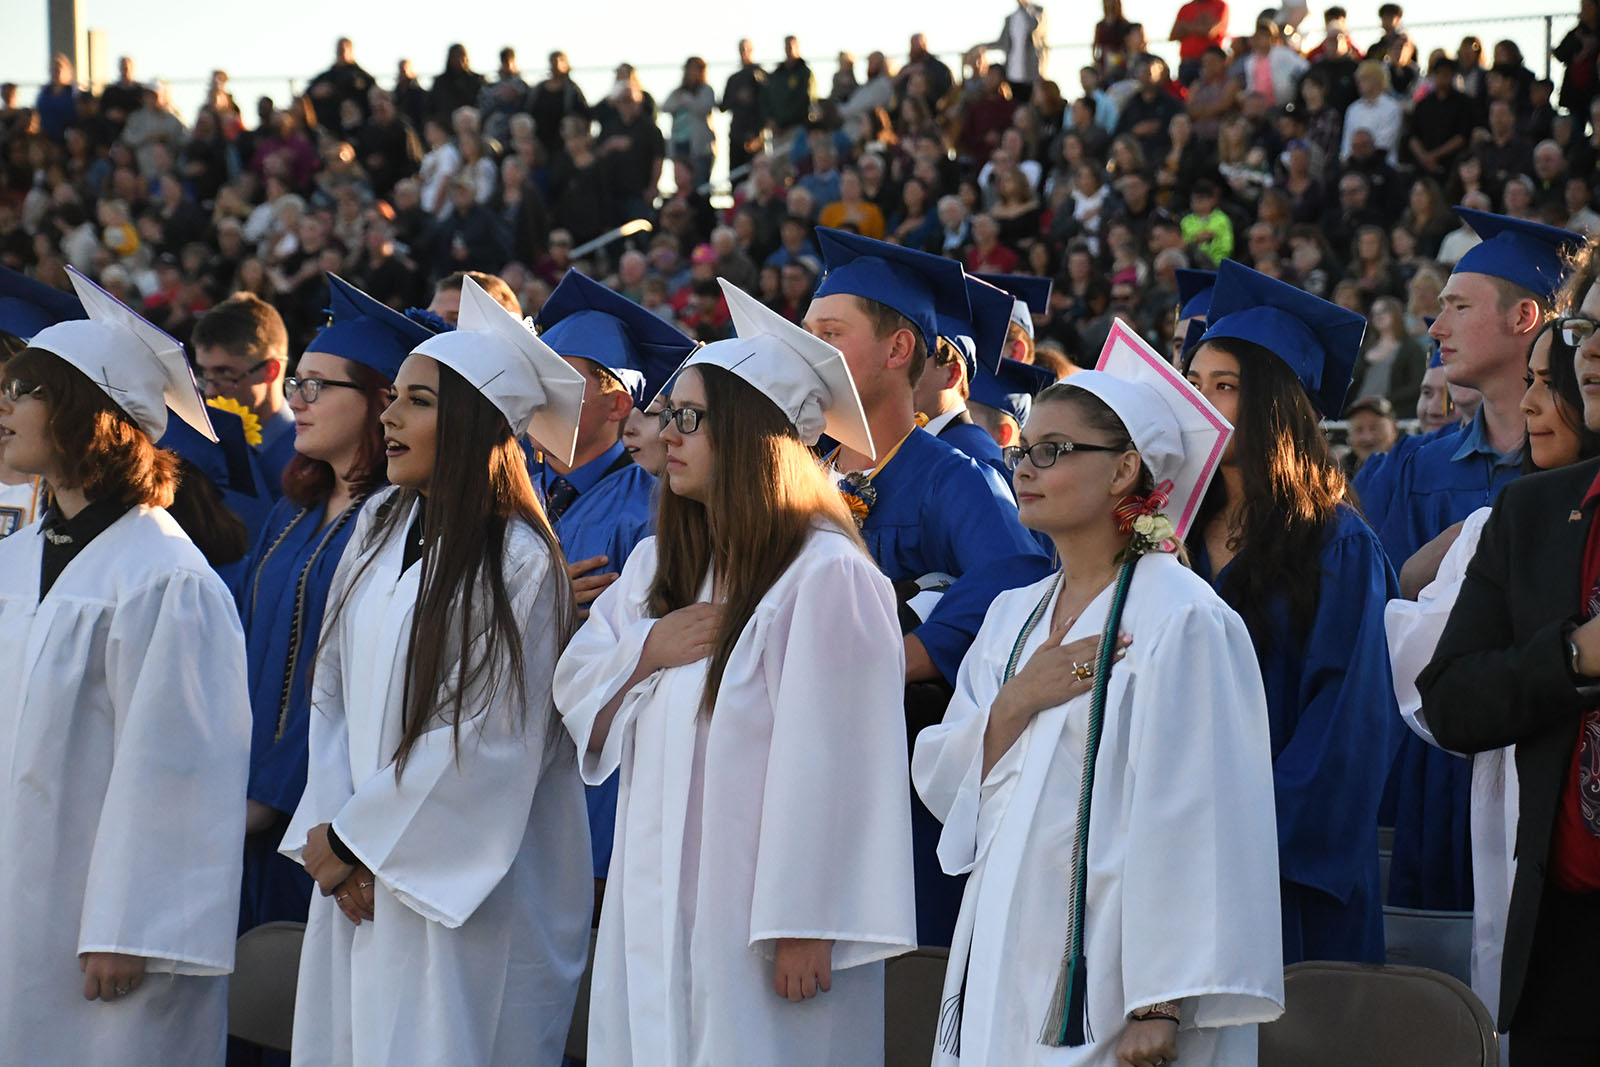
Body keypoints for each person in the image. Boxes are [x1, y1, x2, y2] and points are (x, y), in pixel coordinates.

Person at [555, 278, 917, 1066]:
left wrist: (807, 920)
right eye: (667, 414)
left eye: (691, 418)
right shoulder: (663, 564)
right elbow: (578, 683)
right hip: (651, 905)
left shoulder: (825, 574)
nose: (667, 433)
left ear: (757, 436)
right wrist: (648, 649)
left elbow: (841, 759)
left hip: (761, 925)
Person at [915, 325, 1284, 1064]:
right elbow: (941, 773)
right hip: (1001, 943)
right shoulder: (1012, 613)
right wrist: (1019, 699)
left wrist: (1160, 999)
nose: (1025, 466)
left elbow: (1199, 813)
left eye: (1054, 451)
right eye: (1025, 449)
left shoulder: (1183, 617)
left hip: (1115, 970)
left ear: (1123, 471)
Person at [279, 277, 591, 1065]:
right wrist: (334, 835)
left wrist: (359, 841)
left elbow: (484, 745)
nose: (388, 414)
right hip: (358, 878)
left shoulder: (519, 563)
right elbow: (332, 696)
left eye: (416, 400)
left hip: (454, 896)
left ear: (476, 424)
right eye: (396, 397)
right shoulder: (380, 522)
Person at [0, 267, 251, 1062]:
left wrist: (129, 926)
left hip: (101, 937)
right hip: (21, 895)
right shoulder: (19, 559)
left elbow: (175, 767)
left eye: (26, 388)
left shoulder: (164, 578)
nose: (3, 403)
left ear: (89, 415)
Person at [803, 228, 1055, 947]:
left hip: (903, 776)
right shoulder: (797, 473)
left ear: (899, 349)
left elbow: (1017, 578)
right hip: (803, 766)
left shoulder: (954, 477)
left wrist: (907, 652)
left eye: (831, 332)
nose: (812, 351)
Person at [1388, 304, 1600, 1043]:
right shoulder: (1523, 517)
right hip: (1563, 909)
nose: (1534, 400)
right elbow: (1445, 696)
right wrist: (1574, 656)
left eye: (1552, 381)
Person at [1185, 259, 1397, 963]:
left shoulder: (1339, 546)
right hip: (1168, 862)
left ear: (1276, 403)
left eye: (1226, 387)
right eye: (1194, 385)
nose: (1202, 404)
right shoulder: (1170, 532)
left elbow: (1345, 729)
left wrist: (1234, 838)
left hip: (1283, 877)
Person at [235, 275, 430, 944]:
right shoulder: (290, 513)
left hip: (322, 824)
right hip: (241, 809)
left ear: (379, 400)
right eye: (296, 382)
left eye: (318, 385)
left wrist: (272, 796)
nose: (297, 400)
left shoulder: (398, 524)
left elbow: (353, 689)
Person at [531, 268, 698, 886]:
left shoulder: (654, 512)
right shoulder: (514, 494)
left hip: (598, 777)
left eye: (563, 376)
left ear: (618, 402)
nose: (541, 389)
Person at [193, 292, 297, 495]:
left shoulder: (307, 458)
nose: (211, 391)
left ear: (271, 371)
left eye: (225, 373)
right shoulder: (203, 446)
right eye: (205, 374)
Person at [918, 274, 1014, 482]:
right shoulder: (905, 443)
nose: (895, 365)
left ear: (953, 374)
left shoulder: (977, 464)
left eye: (916, 358)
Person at [987, 0, 1050, 102]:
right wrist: (980, 47)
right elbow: (1002, 42)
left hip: (1031, 75)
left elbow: (1035, 27)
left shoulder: (1038, 11)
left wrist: (1026, 6)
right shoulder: (1010, 18)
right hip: (1012, 75)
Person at [1169, 0, 1229, 84]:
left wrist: (1185, 27)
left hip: (1209, 65)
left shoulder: (1220, 5)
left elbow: (1210, 31)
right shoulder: (1185, 8)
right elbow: (1173, 36)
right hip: (1187, 63)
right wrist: (1199, 26)